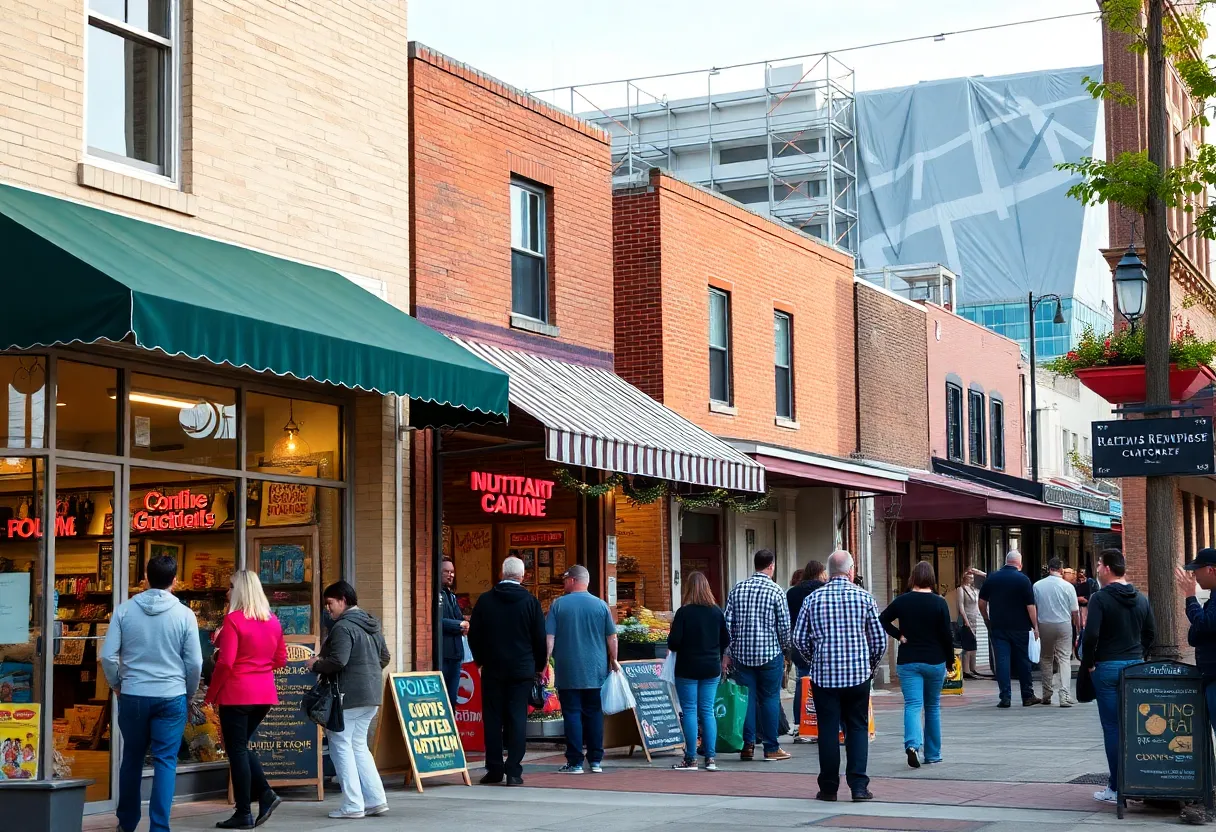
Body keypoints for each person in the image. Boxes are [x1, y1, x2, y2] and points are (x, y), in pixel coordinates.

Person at [100, 554, 203, 832]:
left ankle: (127, 822)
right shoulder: (184, 614)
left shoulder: (124, 611)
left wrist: (117, 685)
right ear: (175, 580)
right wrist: (189, 692)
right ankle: (159, 827)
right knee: (165, 761)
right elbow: (194, 662)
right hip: (171, 696)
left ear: (145, 578)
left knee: (132, 757)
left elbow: (108, 656)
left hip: (133, 694)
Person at [793, 550, 886, 802]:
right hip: (857, 676)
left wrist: (815, 659)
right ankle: (858, 786)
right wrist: (870, 666)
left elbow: (798, 639)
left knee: (827, 730)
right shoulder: (864, 598)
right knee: (857, 728)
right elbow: (879, 641)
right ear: (851, 570)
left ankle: (828, 787)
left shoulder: (813, 599)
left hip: (824, 677)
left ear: (829, 571)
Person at [206, 571, 288, 829]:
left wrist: (211, 694)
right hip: (263, 694)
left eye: (230, 587)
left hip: (237, 693)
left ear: (240, 590)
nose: (227, 592)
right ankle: (263, 794)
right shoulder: (272, 620)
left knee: (237, 749)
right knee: (240, 746)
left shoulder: (234, 621)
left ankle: (245, 810)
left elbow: (225, 662)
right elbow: (281, 660)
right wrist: (259, 668)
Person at [311, 581, 391, 820]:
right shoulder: (371, 624)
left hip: (348, 696)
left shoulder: (343, 627)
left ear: (343, 600)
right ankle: (376, 800)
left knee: (341, 746)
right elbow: (384, 657)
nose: (328, 608)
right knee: (358, 746)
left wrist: (315, 664)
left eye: (330, 603)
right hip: (371, 695)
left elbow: (338, 661)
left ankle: (353, 804)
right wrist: (367, 673)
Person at [1082, 549, 1155, 805]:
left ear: (1109, 568)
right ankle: (1140, 780)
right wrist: (1139, 656)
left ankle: (1116, 787)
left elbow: (1090, 635)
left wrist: (1090, 663)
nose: (1098, 568)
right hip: (1134, 667)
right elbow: (1150, 633)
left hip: (1107, 667)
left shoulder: (1099, 598)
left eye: (1100, 564)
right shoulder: (1141, 598)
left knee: (1112, 728)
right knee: (1135, 728)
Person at [469, 556, 547, 786]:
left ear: (501, 574)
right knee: (517, 719)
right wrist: (538, 666)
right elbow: (539, 639)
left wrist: (480, 661)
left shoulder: (485, 600)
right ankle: (513, 771)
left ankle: (494, 769)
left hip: (493, 669)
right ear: (523, 576)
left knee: (492, 720)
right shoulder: (531, 602)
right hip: (522, 670)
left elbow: (475, 635)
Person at [879, 561, 954, 768]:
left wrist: (898, 635)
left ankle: (912, 745)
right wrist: (949, 661)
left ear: (913, 577)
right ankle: (933, 754)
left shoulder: (902, 601)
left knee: (912, 705)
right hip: (934, 660)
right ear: (931, 578)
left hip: (908, 661)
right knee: (932, 707)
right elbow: (947, 636)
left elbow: (882, 619)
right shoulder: (939, 603)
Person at [545, 565, 618, 775]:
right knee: (594, 713)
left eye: (565, 579)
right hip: (595, 670)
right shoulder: (601, 605)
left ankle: (575, 761)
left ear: (573, 580)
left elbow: (549, 639)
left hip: (568, 669)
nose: (564, 582)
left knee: (572, 714)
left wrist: (544, 663)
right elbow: (612, 637)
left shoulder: (558, 605)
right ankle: (595, 760)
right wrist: (614, 659)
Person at [723, 548, 792, 762]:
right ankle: (771, 747)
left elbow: (728, 623)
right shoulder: (776, 591)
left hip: (742, 654)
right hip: (769, 653)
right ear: (771, 565)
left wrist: (729, 651)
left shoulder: (738, 589)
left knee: (747, 699)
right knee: (770, 698)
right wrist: (785, 649)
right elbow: (784, 627)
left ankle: (748, 745)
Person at [667, 571, 730, 771]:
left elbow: (674, 643)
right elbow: (726, 640)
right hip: (711, 667)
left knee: (690, 711)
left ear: (688, 588)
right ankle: (710, 758)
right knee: (707, 711)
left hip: (687, 668)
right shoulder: (716, 611)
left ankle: (690, 758)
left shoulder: (684, 612)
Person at [978, 551, 1041, 708]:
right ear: (1019, 564)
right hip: (1020, 627)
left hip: (998, 626)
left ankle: (1005, 697)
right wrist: (1035, 626)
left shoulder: (992, 577)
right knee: (1023, 661)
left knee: (1002, 661)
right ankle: (1027, 696)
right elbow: (1030, 607)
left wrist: (987, 619)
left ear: (1006, 561)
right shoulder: (1023, 580)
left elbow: (981, 602)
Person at [1033, 558, 1081, 708]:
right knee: (1064, 658)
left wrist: (1035, 626)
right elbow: (1075, 611)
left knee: (1046, 658)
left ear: (1049, 569)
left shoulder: (1037, 585)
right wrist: (1078, 629)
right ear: (1060, 570)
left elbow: (1034, 607)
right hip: (1063, 624)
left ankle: (1046, 694)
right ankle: (1064, 694)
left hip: (1044, 623)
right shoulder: (1068, 586)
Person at [786, 560, 826, 737]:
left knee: (802, 681)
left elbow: (787, 620)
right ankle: (819, 722)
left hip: (797, 641)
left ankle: (798, 723)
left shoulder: (792, 593)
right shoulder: (823, 591)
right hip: (820, 641)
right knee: (823, 684)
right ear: (819, 573)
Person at [439, 559, 468, 708]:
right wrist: (459, 625)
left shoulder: (451, 595)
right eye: (446, 572)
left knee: (452, 700)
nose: (450, 575)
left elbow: (458, 618)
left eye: (452, 572)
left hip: (456, 655)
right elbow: (437, 621)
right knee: (443, 699)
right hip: (443, 654)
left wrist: (464, 624)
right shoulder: (436, 594)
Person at [956, 569, 983, 679]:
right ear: (964, 578)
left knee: (974, 644)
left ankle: (973, 668)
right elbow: (961, 607)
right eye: (969, 577)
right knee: (967, 645)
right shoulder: (961, 589)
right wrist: (966, 622)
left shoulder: (975, 590)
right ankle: (966, 670)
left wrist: (979, 573)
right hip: (967, 619)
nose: (971, 579)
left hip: (975, 619)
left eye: (973, 577)